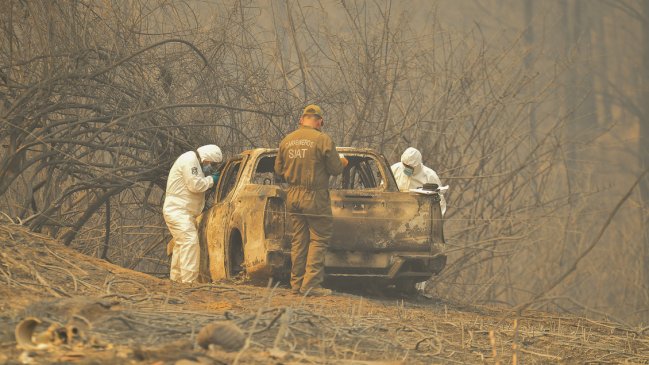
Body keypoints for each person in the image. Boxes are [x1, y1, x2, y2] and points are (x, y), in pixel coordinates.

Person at [274, 104, 348, 296]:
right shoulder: (322, 140)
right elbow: (335, 169)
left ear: (301, 120)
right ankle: (311, 285)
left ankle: (296, 283)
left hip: (293, 195)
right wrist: (343, 162)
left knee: (299, 240)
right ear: (320, 121)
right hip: (314, 196)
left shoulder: (286, 141)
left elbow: (279, 171)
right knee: (319, 238)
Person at [164, 145, 222, 283]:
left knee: (181, 246)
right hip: (178, 211)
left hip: (182, 212)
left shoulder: (193, 161)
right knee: (190, 242)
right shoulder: (190, 160)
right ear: (206, 158)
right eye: (211, 164)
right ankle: (189, 283)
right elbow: (195, 185)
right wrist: (211, 180)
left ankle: (176, 282)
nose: (210, 167)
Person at [391, 147, 446, 215]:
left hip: (420, 218)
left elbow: (440, 202)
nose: (407, 168)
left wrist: (436, 222)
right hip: (395, 215)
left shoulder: (430, 176)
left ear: (417, 165)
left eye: (410, 167)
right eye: (405, 165)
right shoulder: (394, 170)